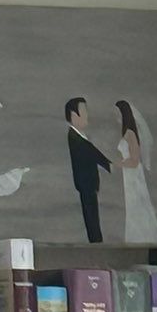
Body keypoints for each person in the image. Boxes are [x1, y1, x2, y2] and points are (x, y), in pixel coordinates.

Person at [115, 97, 157, 246]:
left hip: (133, 175)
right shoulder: (127, 132)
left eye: (117, 113)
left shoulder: (130, 133)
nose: (115, 116)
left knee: (138, 205)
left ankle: (141, 236)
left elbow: (135, 159)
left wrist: (118, 164)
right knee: (133, 206)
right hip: (129, 174)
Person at [65, 95, 111, 243]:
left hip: (88, 184)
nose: (87, 116)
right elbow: (92, 153)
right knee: (91, 214)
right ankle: (96, 240)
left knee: (92, 214)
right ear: (74, 115)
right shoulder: (75, 137)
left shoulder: (80, 136)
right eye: (84, 112)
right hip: (85, 184)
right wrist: (109, 164)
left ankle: (96, 239)